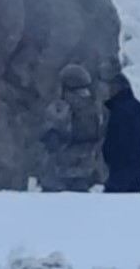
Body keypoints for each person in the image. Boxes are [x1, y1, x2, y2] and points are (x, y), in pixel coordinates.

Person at [38, 64, 104, 192]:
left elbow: (51, 140)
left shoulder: (66, 108)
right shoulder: (91, 107)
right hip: (74, 173)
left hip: (69, 174)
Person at [102, 73, 140, 192]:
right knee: (131, 204)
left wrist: (107, 157)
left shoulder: (117, 111)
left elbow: (112, 141)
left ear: (117, 89)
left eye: (110, 88)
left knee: (112, 204)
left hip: (121, 168)